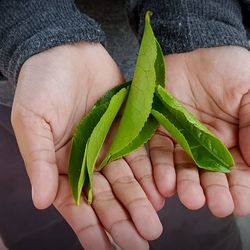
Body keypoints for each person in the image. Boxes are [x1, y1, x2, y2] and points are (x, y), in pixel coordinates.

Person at [0, 0, 250, 249]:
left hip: (171, 83)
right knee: (50, 225)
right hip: (36, 94)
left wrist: (203, 19)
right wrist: (33, 29)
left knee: (196, 223)